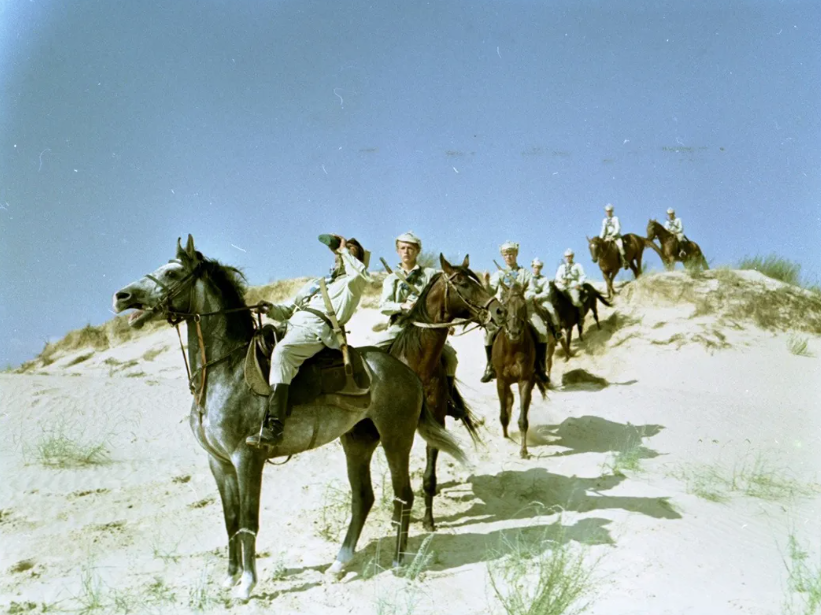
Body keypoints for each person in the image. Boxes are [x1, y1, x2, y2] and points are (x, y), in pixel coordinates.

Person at [247, 235, 370, 450]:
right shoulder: (318, 284)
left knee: (283, 354)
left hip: (316, 329)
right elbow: (289, 308)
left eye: (350, 252)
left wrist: (343, 250)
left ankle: (275, 426)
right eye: (340, 252)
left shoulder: (353, 283)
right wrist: (271, 309)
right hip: (292, 325)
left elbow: (359, 271)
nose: (340, 256)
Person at [376, 231, 459, 390]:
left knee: (451, 357)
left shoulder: (431, 275)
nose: (406, 251)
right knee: (376, 348)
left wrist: (448, 323)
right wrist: (402, 306)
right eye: (403, 248)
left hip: (426, 328)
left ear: (417, 251)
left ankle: (450, 396)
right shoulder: (391, 278)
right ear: (398, 251)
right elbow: (384, 306)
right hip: (400, 326)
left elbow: (444, 300)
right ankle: (379, 392)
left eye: (410, 248)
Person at [480, 241, 535, 382]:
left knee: (540, 330)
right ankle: (490, 366)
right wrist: (486, 282)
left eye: (511, 254)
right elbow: (490, 291)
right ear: (503, 257)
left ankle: (539, 366)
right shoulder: (498, 274)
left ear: (516, 254)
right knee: (489, 333)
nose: (509, 257)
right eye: (506, 254)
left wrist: (522, 299)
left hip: (521, 309)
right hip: (503, 310)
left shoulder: (525, 273)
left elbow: (532, 290)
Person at [525, 258, 554, 383]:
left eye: (539, 267)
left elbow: (547, 292)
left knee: (552, 311)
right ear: (532, 267)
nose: (537, 269)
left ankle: (556, 330)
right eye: (535, 267)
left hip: (541, 301)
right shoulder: (527, 277)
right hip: (529, 302)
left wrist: (538, 296)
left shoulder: (544, 279)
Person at [554, 248, 586, 322]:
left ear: (572, 256)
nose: (568, 258)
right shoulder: (561, 267)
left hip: (573, 285)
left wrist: (579, 284)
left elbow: (583, 275)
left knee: (576, 301)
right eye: (566, 256)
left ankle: (581, 317)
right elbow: (557, 276)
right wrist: (561, 280)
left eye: (569, 256)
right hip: (563, 285)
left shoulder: (577, 265)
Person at [600, 203, 628, 269]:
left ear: (612, 211)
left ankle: (625, 261)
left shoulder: (615, 218)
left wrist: (613, 235)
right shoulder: (604, 220)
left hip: (616, 236)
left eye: (610, 211)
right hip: (607, 237)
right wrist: (600, 238)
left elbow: (617, 228)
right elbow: (603, 230)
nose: (608, 213)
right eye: (607, 211)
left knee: (620, 247)